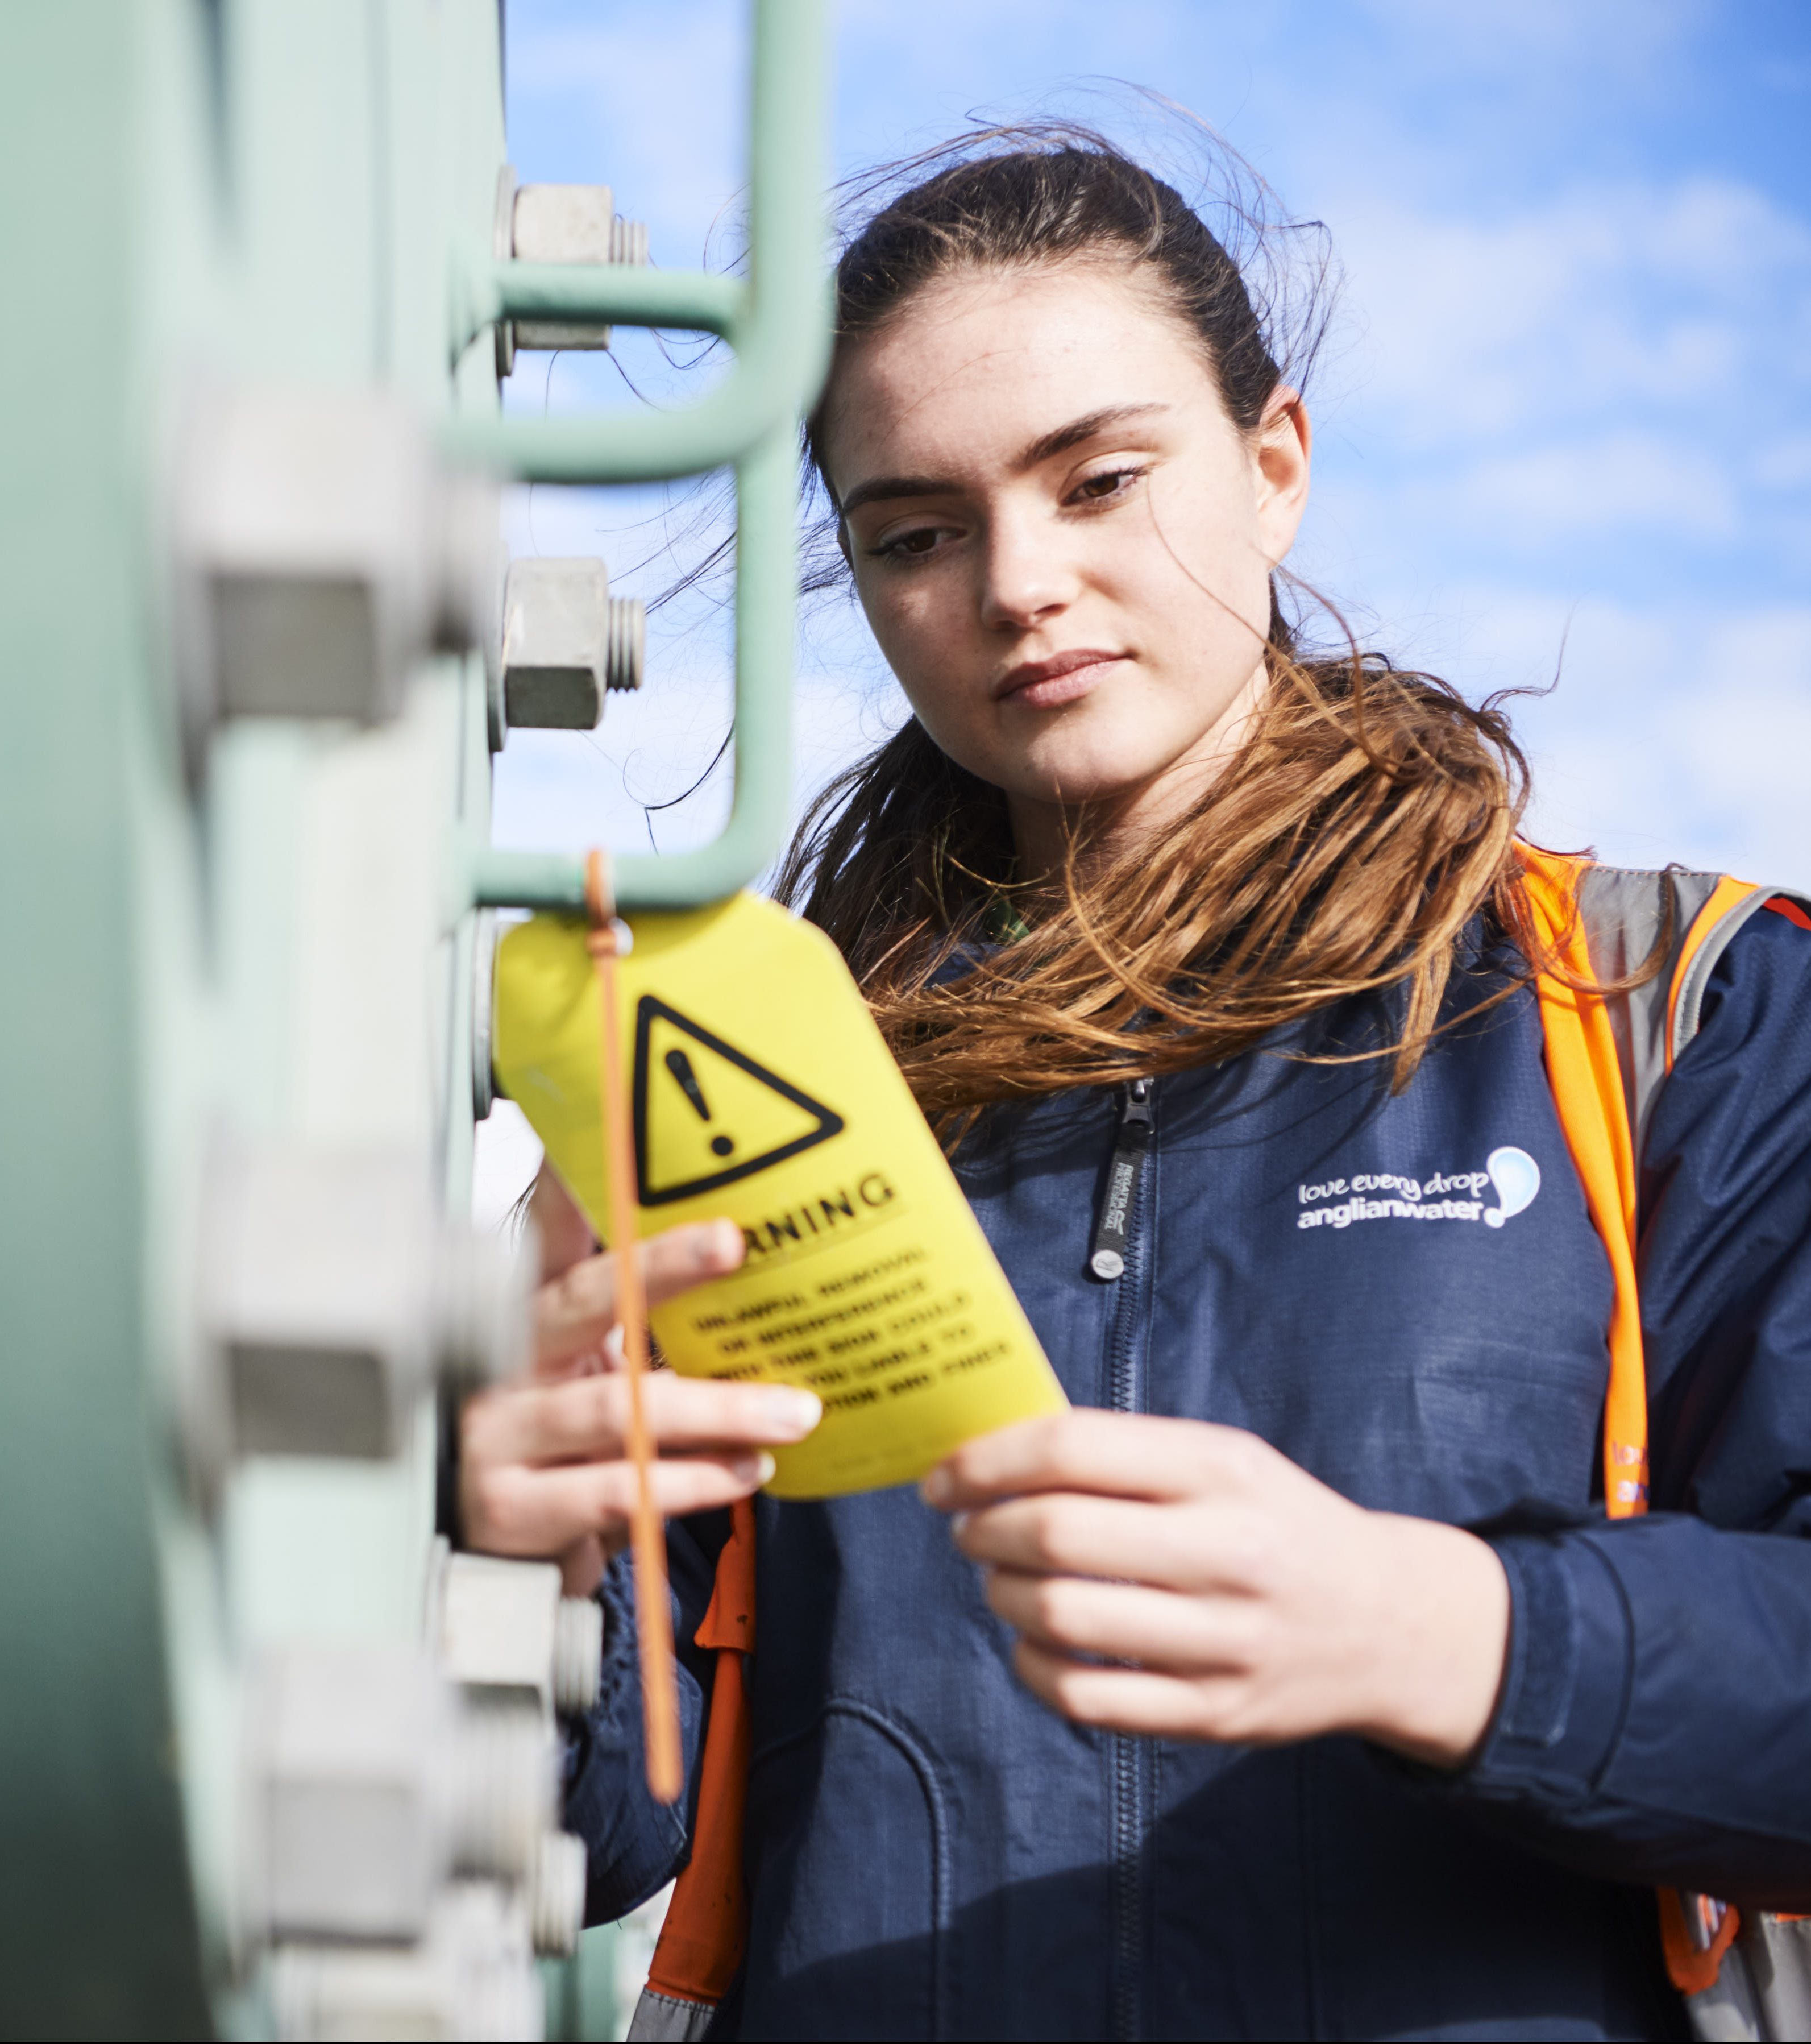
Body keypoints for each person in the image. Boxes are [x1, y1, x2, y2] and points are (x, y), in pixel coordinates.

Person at [457, 130, 1811, 2039]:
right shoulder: (755, 1086)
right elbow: (578, 1833)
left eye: (1100, 480)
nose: (1020, 584)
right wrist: (510, 1547)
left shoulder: (1675, 1004)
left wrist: (1438, 1629)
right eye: (914, 531)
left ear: (1274, 467)